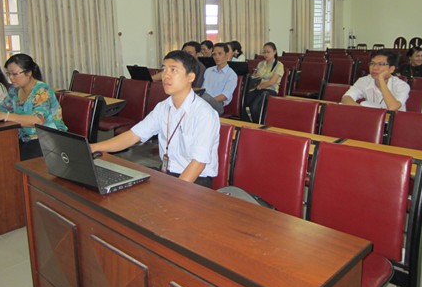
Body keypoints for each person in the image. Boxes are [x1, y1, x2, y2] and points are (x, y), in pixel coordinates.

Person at [90, 50, 219, 187]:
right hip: (167, 173)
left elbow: (198, 163)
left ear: (190, 77)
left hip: (195, 181)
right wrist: (94, 147)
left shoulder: (204, 114)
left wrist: (175, 193)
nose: (166, 75)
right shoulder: (163, 107)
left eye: (173, 70)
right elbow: (134, 135)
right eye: (164, 69)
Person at [0, 53, 67, 160]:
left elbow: (37, 120)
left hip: (48, 139)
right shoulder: (14, 90)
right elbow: (1, 109)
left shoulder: (42, 90)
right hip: (25, 138)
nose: (11, 78)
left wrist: (5, 116)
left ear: (29, 73)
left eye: (14, 74)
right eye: (9, 74)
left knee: (12, 159)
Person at [341, 49, 410, 111]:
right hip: (371, 119)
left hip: (395, 120)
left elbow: (392, 107)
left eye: (381, 64)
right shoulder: (364, 81)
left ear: (391, 69)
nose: (374, 68)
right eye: (372, 63)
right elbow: (346, 98)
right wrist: (364, 111)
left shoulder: (402, 86)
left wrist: (381, 80)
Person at [244, 42, 284, 122]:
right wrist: (254, 77)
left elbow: (272, 82)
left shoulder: (279, 65)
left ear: (274, 52)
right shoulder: (260, 64)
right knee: (242, 101)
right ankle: (249, 122)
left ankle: (258, 124)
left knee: (254, 106)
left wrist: (260, 86)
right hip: (258, 89)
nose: (265, 54)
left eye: (268, 52)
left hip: (270, 91)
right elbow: (254, 77)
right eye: (264, 52)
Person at [201, 43, 238, 115]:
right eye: (214, 54)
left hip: (218, 104)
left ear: (227, 55)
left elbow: (224, 96)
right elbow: (203, 89)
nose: (216, 57)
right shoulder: (208, 71)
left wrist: (207, 102)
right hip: (205, 102)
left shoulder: (231, 75)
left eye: (220, 54)